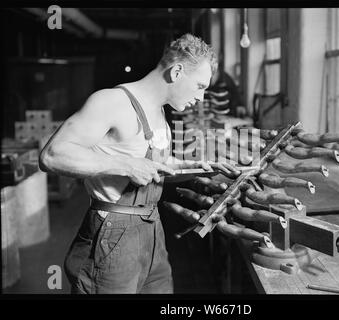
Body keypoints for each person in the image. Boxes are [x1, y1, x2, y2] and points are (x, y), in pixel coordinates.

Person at [39, 33, 238, 294]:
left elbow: (159, 166)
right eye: (200, 85)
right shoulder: (112, 101)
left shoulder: (158, 113)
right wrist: (126, 164)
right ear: (177, 71)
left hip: (151, 229)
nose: (201, 97)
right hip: (112, 236)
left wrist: (202, 166)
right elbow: (52, 155)